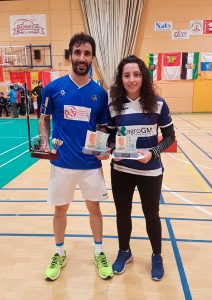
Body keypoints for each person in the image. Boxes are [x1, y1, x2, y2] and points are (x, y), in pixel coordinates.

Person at [39, 32, 113, 281]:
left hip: (90, 165)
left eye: (87, 53)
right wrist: (43, 140)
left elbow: (102, 126)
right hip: (62, 163)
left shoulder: (100, 94)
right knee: (60, 210)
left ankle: (99, 251)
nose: (82, 57)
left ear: (92, 57)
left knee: (95, 209)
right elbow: (44, 119)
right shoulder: (53, 88)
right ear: (70, 54)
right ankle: (59, 252)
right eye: (78, 52)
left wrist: (101, 148)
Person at [107, 55, 175, 281]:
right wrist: (106, 150)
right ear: (121, 78)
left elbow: (169, 137)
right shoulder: (114, 105)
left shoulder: (159, 104)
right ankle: (124, 251)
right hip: (121, 171)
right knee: (122, 214)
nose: (131, 79)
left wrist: (153, 153)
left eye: (136, 74)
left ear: (143, 77)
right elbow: (109, 137)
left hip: (150, 172)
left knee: (151, 215)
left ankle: (157, 255)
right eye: (127, 75)